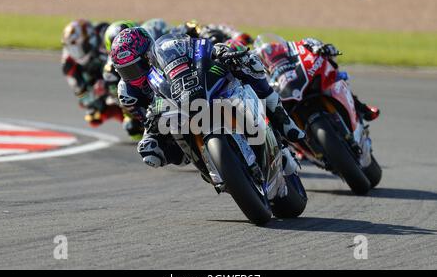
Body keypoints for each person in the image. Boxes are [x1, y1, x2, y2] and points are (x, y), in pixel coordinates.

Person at [110, 27, 305, 168]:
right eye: (126, 71)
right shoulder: (127, 92)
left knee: (249, 63)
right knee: (154, 155)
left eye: (135, 67)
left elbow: (199, 49)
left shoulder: (168, 48)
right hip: (176, 120)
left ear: (147, 55)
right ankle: (213, 165)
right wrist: (149, 139)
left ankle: (282, 119)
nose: (133, 75)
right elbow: (145, 120)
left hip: (197, 89)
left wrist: (218, 51)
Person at [257, 35, 380, 121]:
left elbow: (316, 44)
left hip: (306, 81)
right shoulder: (262, 70)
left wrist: (322, 48)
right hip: (287, 95)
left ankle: (361, 108)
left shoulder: (298, 46)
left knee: (335, 75)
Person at [61, 19, 123, 127]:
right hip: (104, 87)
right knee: (93, 115)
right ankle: (130, 119)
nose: (75, 52)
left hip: (120, 73)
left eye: (78, 47)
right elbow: (82, 98)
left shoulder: (104, 34)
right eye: (71, 48)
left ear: (90, 41)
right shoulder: (68, 64)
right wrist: (96, 92)